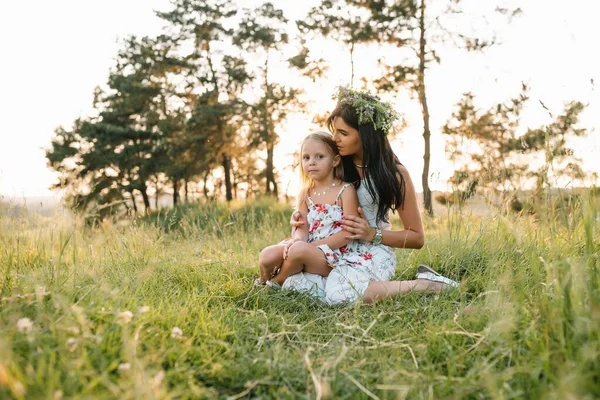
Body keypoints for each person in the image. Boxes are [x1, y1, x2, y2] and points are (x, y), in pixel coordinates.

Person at [282, 86, 458, 304]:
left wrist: (371, 233)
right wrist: (301, 218)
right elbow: (314, 195)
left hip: (372, 251)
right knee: (297, 286)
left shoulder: (394, 175)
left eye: (343, 133)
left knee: (339, 295)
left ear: (366, 135)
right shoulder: (337, 163)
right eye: (334, 130)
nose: (335, 138)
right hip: (336, 247)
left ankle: (425, 285)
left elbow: (417, 237)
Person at [256, 131, 376, 290]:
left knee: (298, 251)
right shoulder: (305, 194)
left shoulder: (345, 190)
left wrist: (311, 247)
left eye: (319, 157)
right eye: (306, 158)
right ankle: (263, 280)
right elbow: (302, 228)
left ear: (335, 161)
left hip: (333, 254)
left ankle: (277, 282)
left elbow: (347, 234)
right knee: (266, 255)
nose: (312, 162)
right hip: (305, 246)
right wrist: (298, 240)